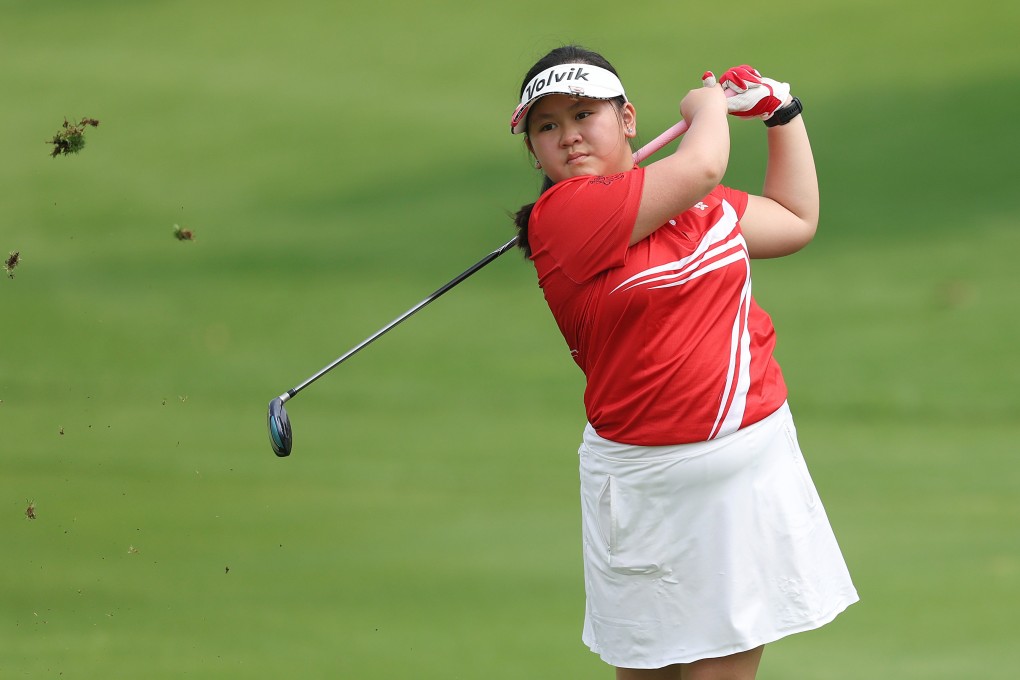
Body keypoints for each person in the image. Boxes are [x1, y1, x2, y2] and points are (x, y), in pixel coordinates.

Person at [510, 45, 858, 680]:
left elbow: (795, 219)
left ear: (627, 120)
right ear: (533, 148)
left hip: (745, 471)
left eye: (584, 114)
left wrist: (783, 115)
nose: (568, 136)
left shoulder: (701, 206)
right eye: (547, 126)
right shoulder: (563, 216)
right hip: (646, 486)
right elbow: (701, 165)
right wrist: (705, 109)